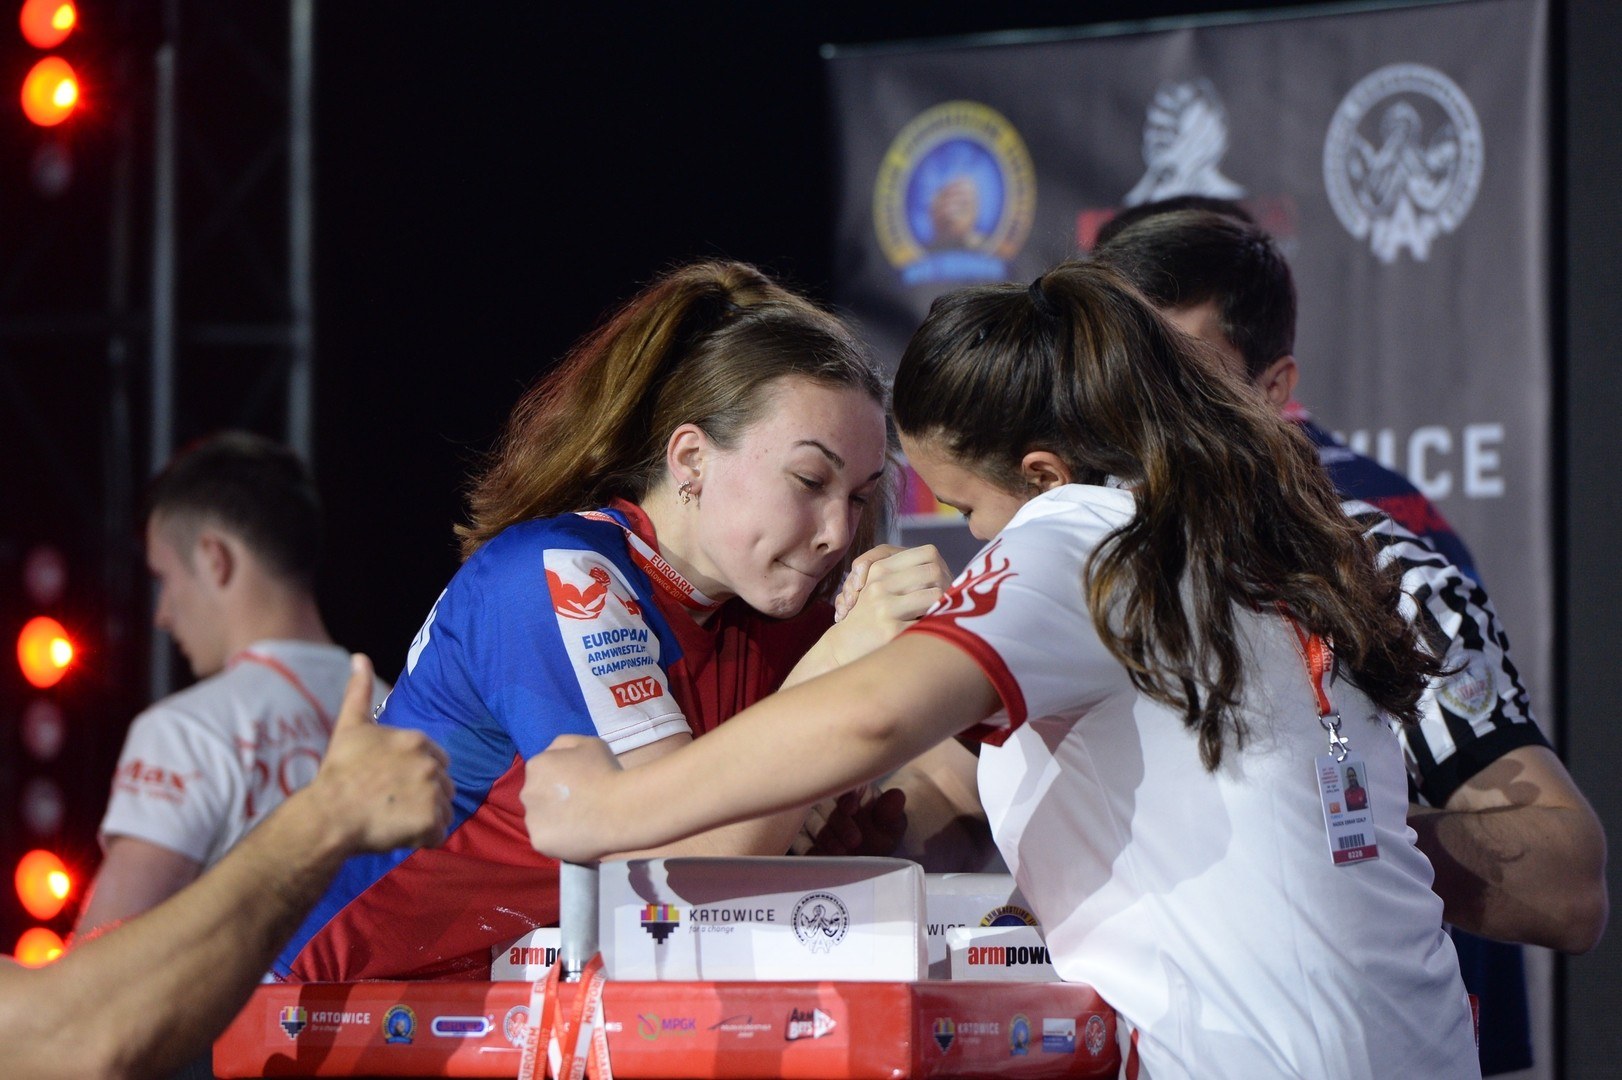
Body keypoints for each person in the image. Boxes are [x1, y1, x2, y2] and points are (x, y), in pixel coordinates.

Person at [524, 262, 1481, 1079]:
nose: (971, 540)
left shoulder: (1075, 537)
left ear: (1043, 476)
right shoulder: (1233, 538)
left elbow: (871, 718)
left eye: (969, 509)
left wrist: (605, 812)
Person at [275, 260, 945, 982]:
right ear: (691, 458)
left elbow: (722, 893)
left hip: (506, 1006)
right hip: (321, 1002)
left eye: (859, 496)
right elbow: (679, 872)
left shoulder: (783, 616)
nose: (837, 533)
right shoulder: (563, 575)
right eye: (811, 483)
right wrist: (839, 670)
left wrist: (835, 827)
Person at [1090, 206, 1607, 1073]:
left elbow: (1566, 882)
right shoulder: (1063, 549)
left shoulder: (1362, 552)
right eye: (1112, 371)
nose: (1142, 412)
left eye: (1182, 374)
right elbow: (929, 782)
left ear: (1270, 386)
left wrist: (1324, 836)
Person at [1, 654, 450, 1080]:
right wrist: (326, 815)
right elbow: (71, 1036)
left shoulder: (180, 730)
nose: (162, 618)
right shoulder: (386, 696)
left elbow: (68, 1028)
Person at [75, 432, 387, 940]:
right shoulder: (404, 714)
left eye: (164, 579)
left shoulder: (183, 733)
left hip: (236, 1019)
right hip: (389, 1019)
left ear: (214, 558)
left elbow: (92, 973)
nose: (161, 615)